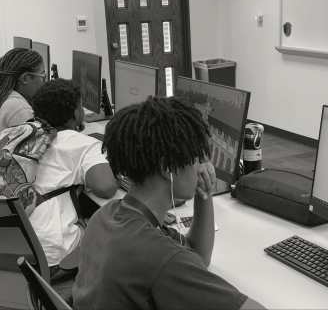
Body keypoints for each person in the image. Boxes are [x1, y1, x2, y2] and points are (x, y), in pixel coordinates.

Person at [72, 96, 266, 309]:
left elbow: (197, 254)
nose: (201, 167)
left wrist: (204, 193)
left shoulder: (107, 215)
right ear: (168, 168)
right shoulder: (161, 258)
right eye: (195, 158)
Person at [30, 78, 120, 281]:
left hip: (18, 252)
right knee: (119, 232)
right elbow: (105, 188)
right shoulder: (82, 144)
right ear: (76, 113)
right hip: (54, 258)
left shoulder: (28, 135)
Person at [0, 48, 46, 131]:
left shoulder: (5, 95)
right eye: (43, 77)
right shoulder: (20, 109)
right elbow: (37, 143)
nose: (44, 82)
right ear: (24, 78)